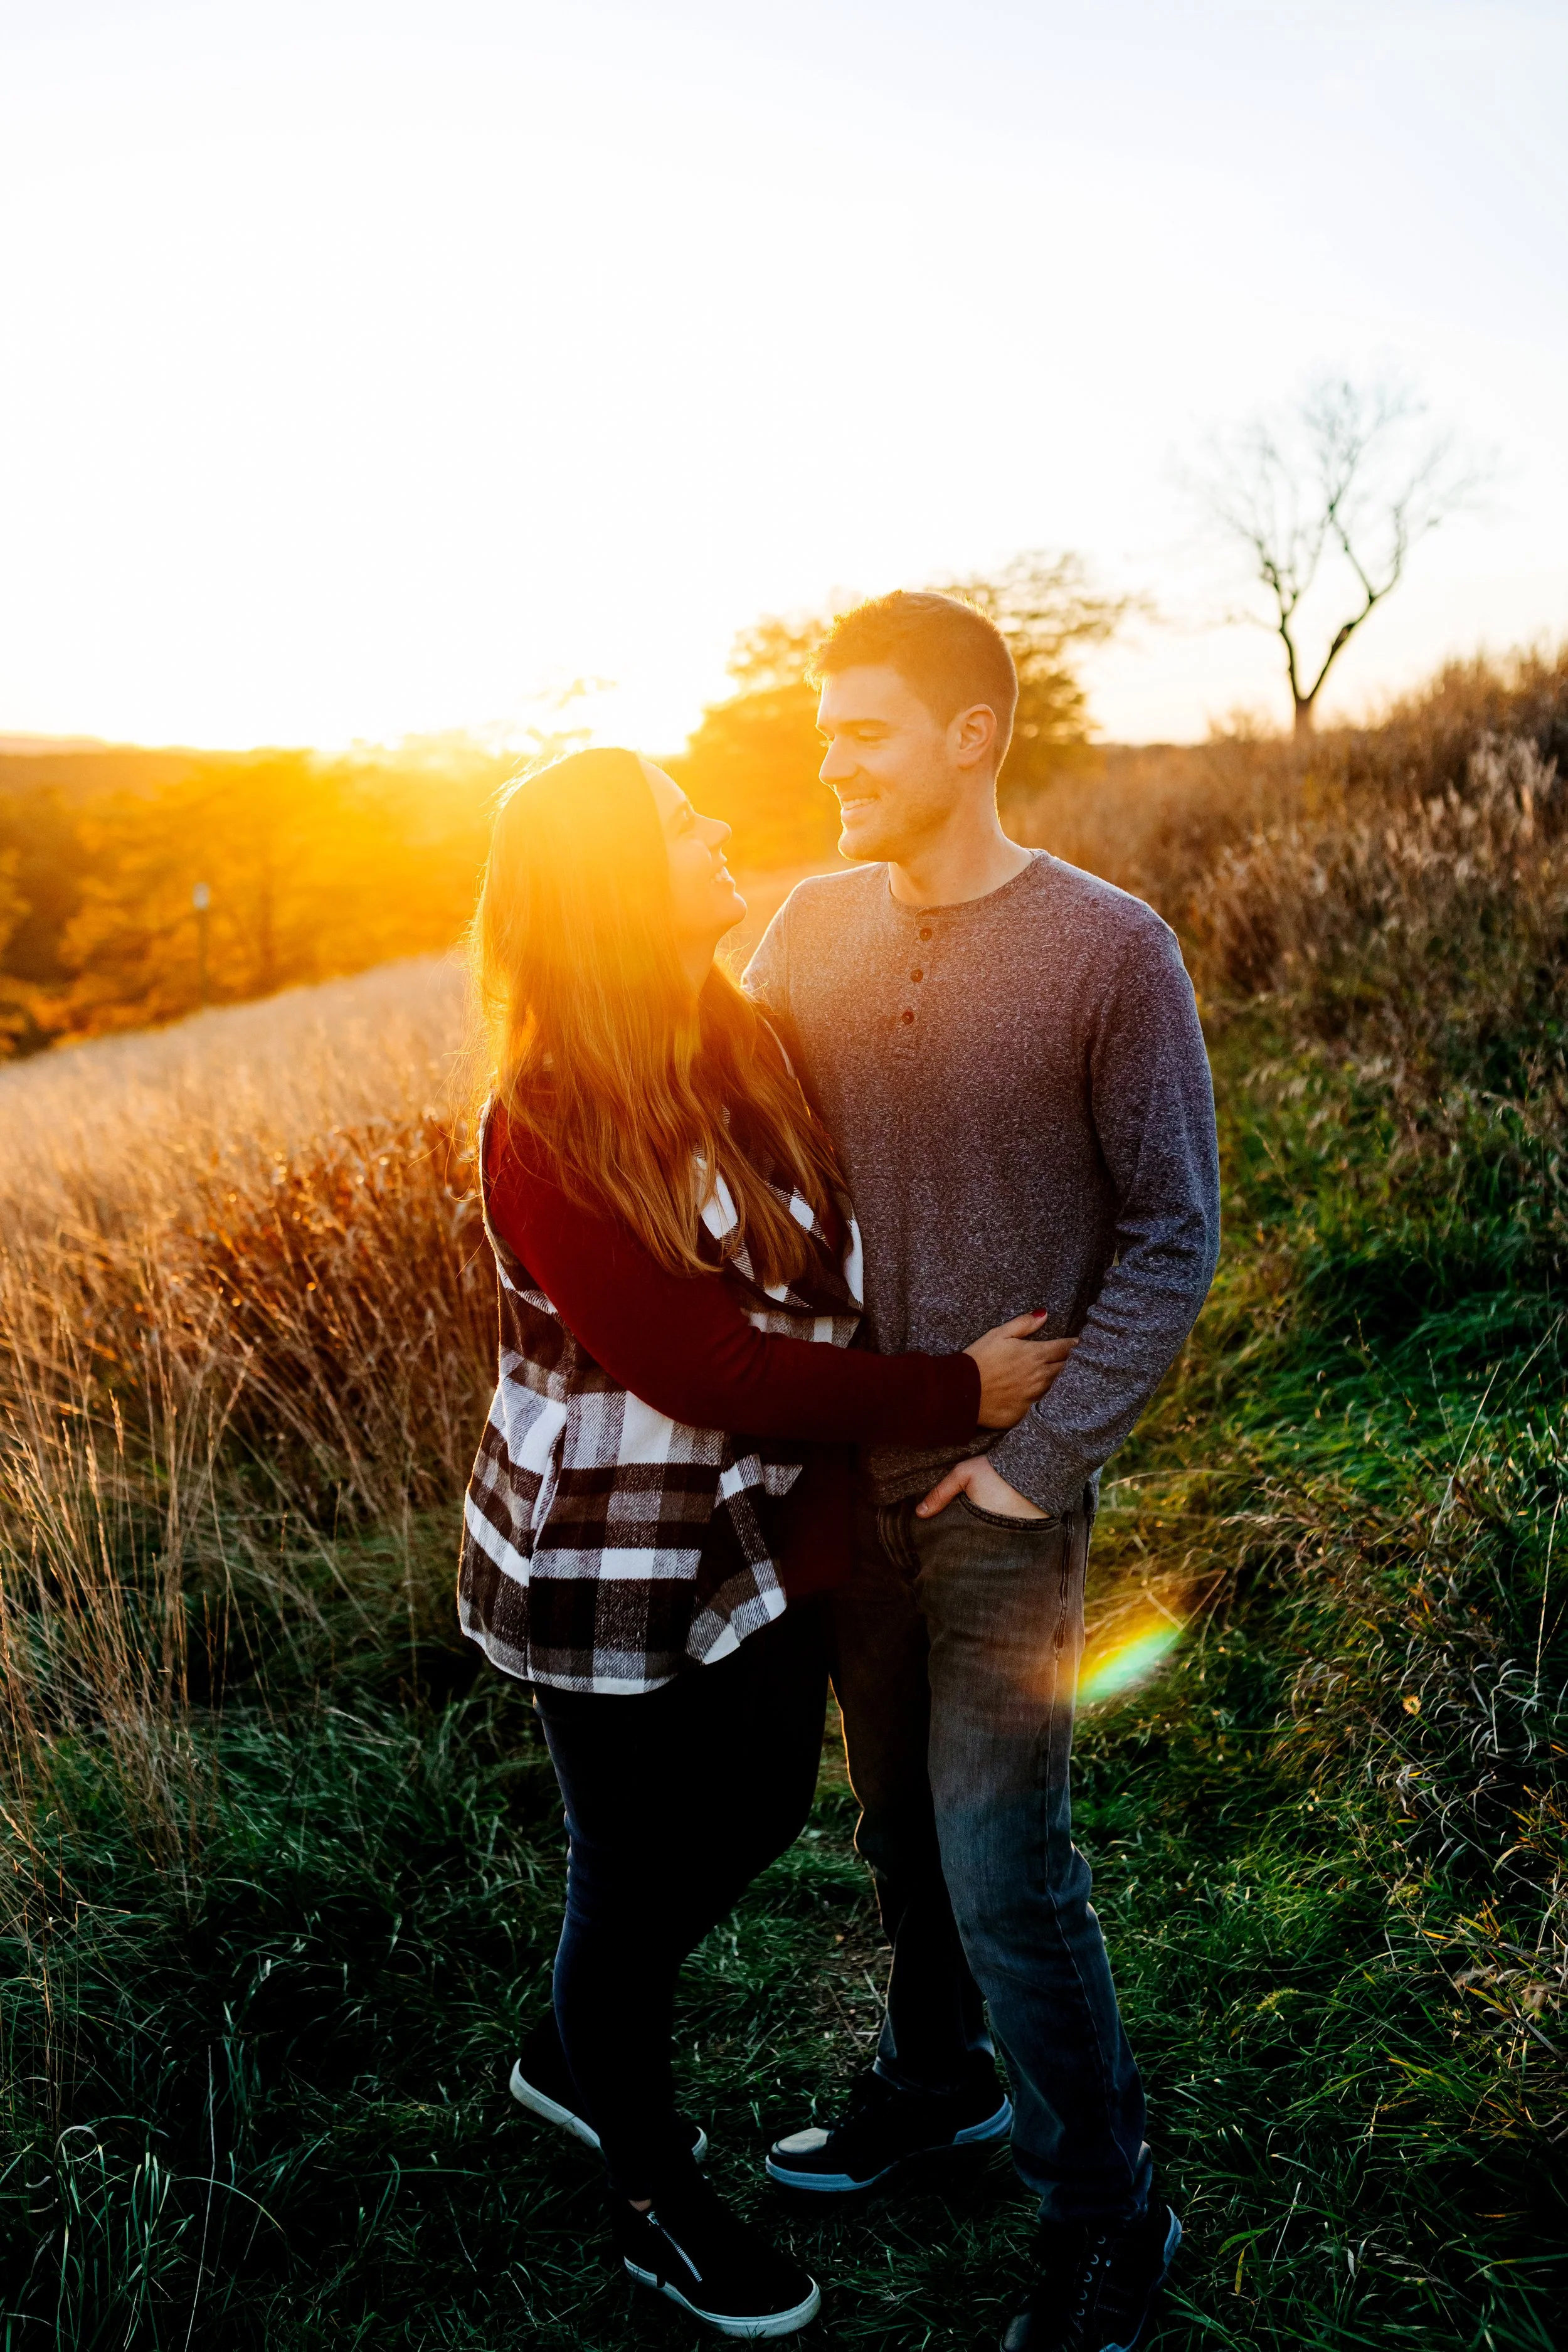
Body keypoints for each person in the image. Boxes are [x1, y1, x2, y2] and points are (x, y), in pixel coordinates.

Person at [457, 745, 1077, 2339]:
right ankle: (656, 2199)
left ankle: (582, 2041)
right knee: (626, 1872)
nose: (718, 825)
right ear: (611, 887)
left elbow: (808, 1272)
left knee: (751, 1811)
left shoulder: (736, 1035)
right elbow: (704, 1365)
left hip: (742, 1528)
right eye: (679, 823)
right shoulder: (538, 1127)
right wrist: (956, 1386)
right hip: (600, 1555)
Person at [745, 593, 1221, 2352]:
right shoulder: (804, 929)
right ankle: (936, 2078)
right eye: (823, 729)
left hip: (1005, 1501)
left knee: (1004, 1862)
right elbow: (710, 1125)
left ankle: (1108, 2204)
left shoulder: (1112, 951)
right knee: (895, 1830)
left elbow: (1174, 1233)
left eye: (860, 728)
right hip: (837, 1486)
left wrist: (1037, 1460)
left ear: (968, 735)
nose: (829, 760)